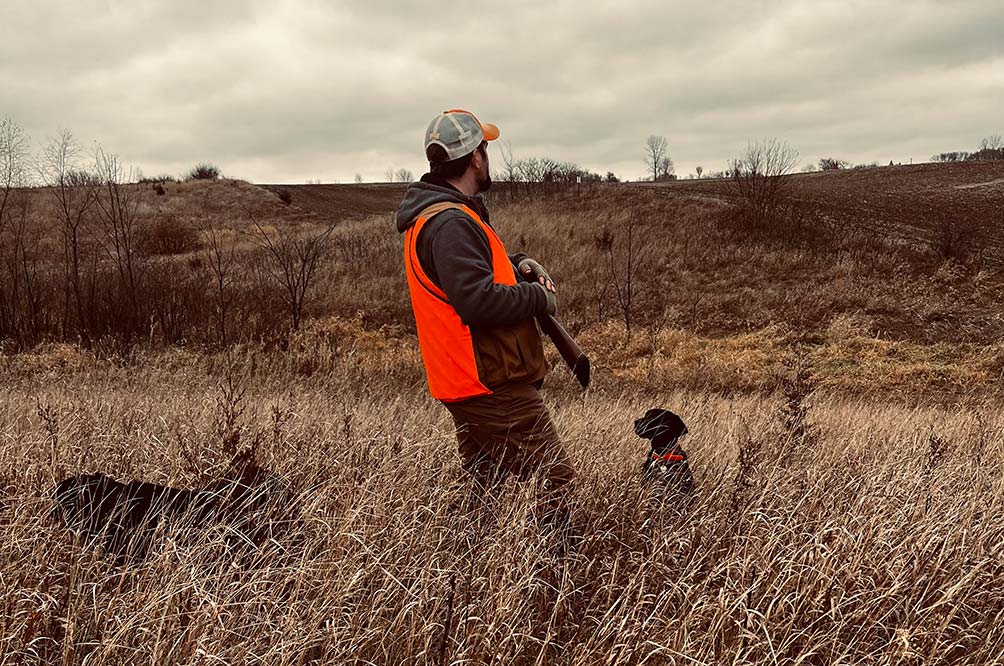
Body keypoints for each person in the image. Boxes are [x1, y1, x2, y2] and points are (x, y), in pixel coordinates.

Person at [395, 109, 575, 539]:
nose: (487, 155)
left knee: (486, 488)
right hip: (490, 379)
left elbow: (471, 275)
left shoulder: (447, 215)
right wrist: (538, 297)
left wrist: (517, 265)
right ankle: (553, 578)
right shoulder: (450, 222)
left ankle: (468, 576)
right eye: (485, 148)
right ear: (475, 158)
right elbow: (475, 300)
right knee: (556, 477)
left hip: (468, 379)